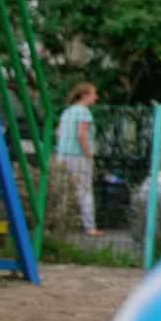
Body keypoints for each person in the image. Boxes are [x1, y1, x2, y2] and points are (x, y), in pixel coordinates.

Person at [56, 81, 101, 237]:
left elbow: (59, 133)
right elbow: (81, 135)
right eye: (94, 94)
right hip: (78, 155)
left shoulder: (67, 112)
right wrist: (88, 154)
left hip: (62, 154)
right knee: (85, 190)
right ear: (85, 96)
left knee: (62, 190)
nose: (96, 97)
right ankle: (90, 227)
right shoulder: (84, 112)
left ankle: (59, 224)